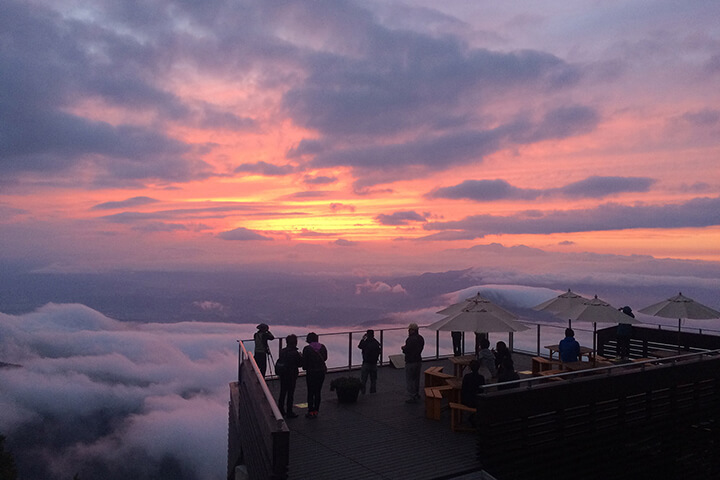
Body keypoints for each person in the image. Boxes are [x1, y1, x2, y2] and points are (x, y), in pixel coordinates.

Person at [276, 334, 303, 418]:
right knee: (290, 394)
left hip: (283, 374)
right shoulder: (295, 353)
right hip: (291, 375)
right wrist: (301, 357)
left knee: (282, 392)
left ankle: (280, 409)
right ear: (295, 342)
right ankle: (289, 411)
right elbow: (300, 364)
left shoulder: (282, 351)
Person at [302, 332, 327, 419]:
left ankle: (310, 411)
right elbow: (325, 358)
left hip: (311, 372)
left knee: (311, 391)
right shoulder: (322, 347)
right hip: (321, 371)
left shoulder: (307, 349)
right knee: (318, 391)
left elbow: (304, 363)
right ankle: (316, 410)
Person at [401, 323, 424, 403]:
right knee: (416, 379)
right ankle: (416, 393)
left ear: (413, 330)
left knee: (410, 379)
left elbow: (407, 350)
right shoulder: (421, 338)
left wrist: (403, 348)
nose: (408, 331)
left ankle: (412, 396)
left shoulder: (410, 339)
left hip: (410, 361)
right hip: (418, 360)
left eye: (409, 329)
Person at [358, 329, 381, 394]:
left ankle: (363, 393)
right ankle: (373, 393)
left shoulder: (366, 342)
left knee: (364, 380)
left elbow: (360, 346)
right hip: (374, 364)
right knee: (373, 380)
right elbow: (379, 351)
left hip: (366, 363)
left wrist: (363, 338)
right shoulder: (376, 343)